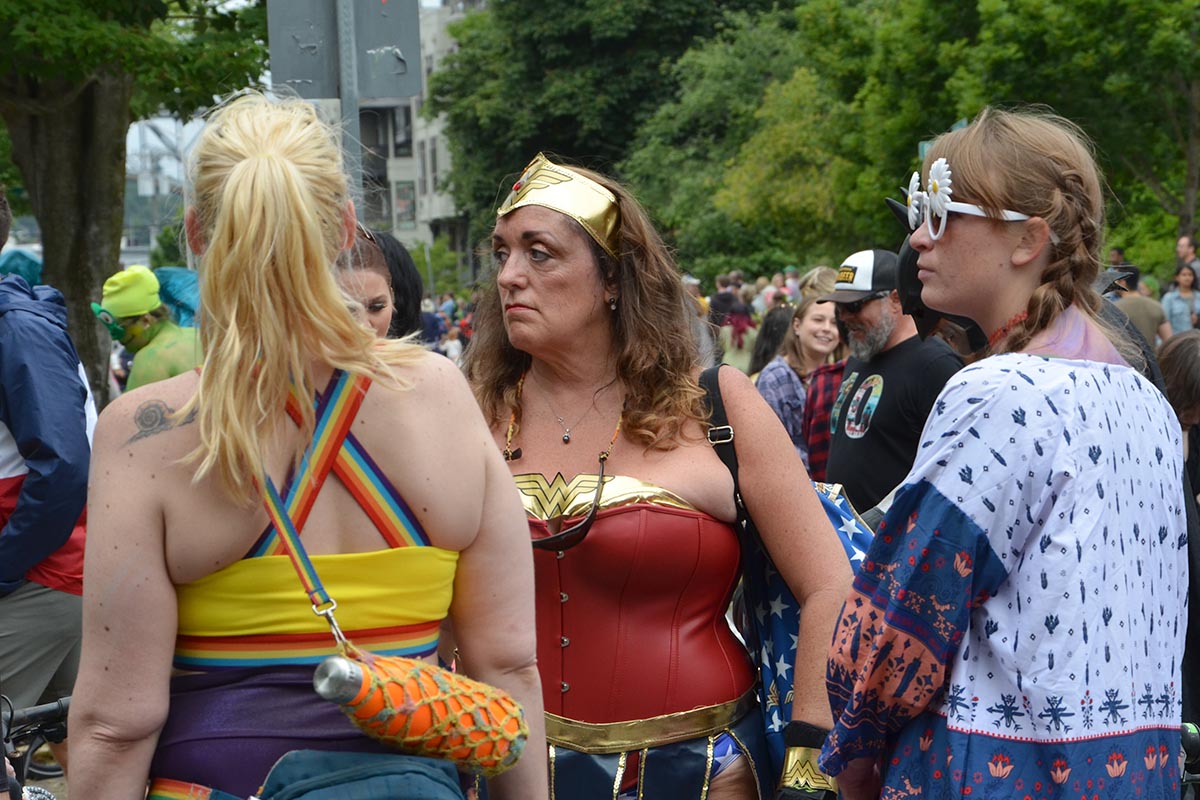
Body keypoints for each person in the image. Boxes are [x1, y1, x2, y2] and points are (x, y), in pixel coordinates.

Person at [68, 93, 546, 800]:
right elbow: (506, 671)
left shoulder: (148, 435)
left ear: (196, 235)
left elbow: (117, 723)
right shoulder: (440, 397)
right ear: (348, 227)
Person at [822, 107, 1187, 800]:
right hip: (1137, 776)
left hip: (998, 774)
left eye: (941, 211)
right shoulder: (1146, 402)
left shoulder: (1001, 391)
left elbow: (900, 615)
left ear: (1027, 240)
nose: (918, 237)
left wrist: (855, 748)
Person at [467, 152, 851, 798]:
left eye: (539, 254)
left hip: (707, 772)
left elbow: (829, 583)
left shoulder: (717, 405)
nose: (509, 276)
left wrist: (809, 770)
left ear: (612, 279)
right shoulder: (468, 412)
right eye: (502, 253)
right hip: (511, 771)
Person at [0, 187, 96, 778]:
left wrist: (5, 564)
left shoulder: (15, 328)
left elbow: (64, 466)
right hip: (49, 572)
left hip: (41, 575)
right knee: (92, 756)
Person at [821, 248, 963, 512]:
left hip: (896, 541)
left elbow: (954, 466)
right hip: (849, 538)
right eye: (838, 307)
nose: (843, 317)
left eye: (854, 305)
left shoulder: (933, 365)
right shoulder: (861, 354)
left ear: (896, 300)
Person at [755, 296, 840, 468]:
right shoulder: (775, 377)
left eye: (834, 323)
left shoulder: (838, 376)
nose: (826, 329)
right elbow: (769, 445)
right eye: (818, 320)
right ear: (797, 326)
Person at [91, 264, 202, 390]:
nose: (116, 338)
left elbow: (130, 409)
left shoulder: (149, 360)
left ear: (145, 321)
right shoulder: (200, 335)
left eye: (120, 329)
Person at [1114, 265, 1170, 345]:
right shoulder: (1156, 306)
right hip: (1151, 356)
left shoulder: (1114, 308)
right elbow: (1169, 341)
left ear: (1123, 282)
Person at [1162, 262, 1199, 336]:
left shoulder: (1198, 296)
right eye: (1184, 275)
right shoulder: (1169, 298)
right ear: (1177, 278)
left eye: (1190, 275)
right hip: (1178, 340)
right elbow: (1164, 322)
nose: (1187, 278)